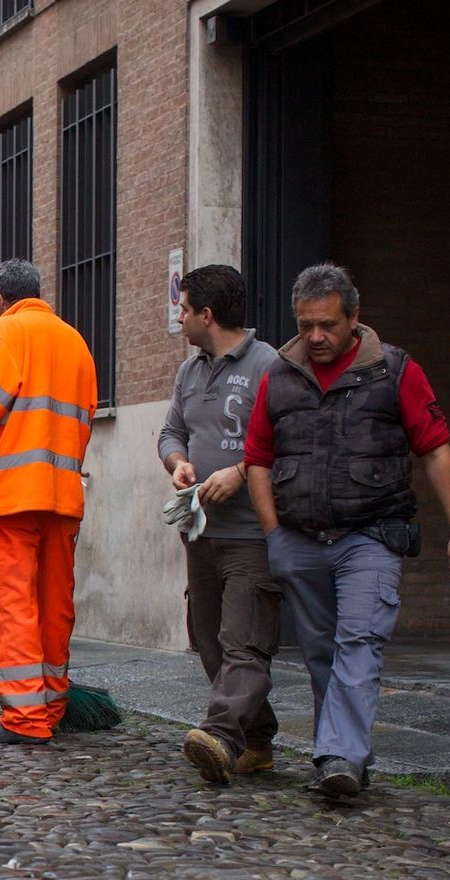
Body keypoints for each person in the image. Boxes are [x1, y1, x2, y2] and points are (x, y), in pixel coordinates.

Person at [245, 263, 450, 798]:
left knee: (360, 643)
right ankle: (343, 753)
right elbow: (257, 457)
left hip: (371, 537)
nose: (316, 337)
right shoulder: (278, 376)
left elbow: (437, 452)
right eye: (305, 325)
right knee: (321, 653)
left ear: (355, 318)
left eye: (327, 324)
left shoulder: (395, 371)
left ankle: (339, 757)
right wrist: (273, 534)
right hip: (300, 539)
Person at [0, 259, 96, 745]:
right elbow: (86, 412)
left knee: (15, 606)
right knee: (55, 604)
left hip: (14, 496)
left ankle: (25, 720)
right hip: (62, 494)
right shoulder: (74, 341)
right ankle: (52, 707)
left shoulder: (4, 334)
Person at [158, 265, 283, 785]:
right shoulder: (189, 372)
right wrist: (178, 461)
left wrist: (239, 471)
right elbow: (169, 433)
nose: (179, 317)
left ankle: (221, 735)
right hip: (200, 531)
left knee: (244, 641)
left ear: (207, 314)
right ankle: (257, 740)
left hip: (252, 534)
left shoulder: (269, 366)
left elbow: (289, 442)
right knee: (206, 638)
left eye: (184, 308)